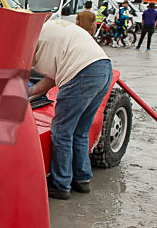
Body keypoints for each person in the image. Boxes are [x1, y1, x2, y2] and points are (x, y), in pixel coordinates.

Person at [27, 19, 112, 200]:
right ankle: (82, 179)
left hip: (82, 73)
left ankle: (61, 185)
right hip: (103, 68)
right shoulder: (52, 30)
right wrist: (29, 93)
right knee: (80, 131)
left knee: (61, 131)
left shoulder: (37, 42)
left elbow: (29, 67)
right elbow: (53, 78)